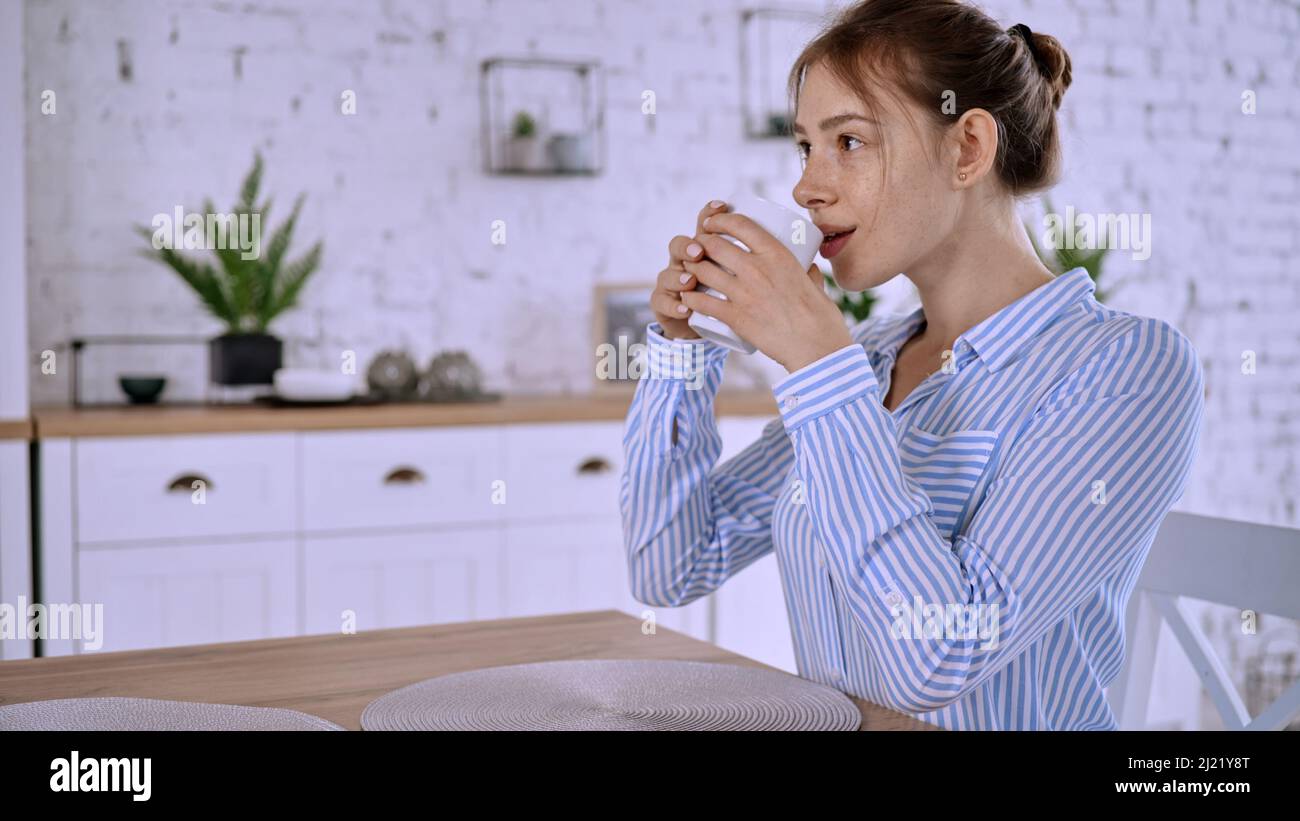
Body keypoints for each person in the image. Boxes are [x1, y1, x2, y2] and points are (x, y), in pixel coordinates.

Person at [619, 0, 1205, 730]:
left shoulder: (1127, 368)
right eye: (805, 146)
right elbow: (673, 565)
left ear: (967, 149)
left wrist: (818, 367)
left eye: (851, 142)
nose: (807, 186)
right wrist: (684, 349)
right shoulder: (867, 362)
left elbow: (939, 658)